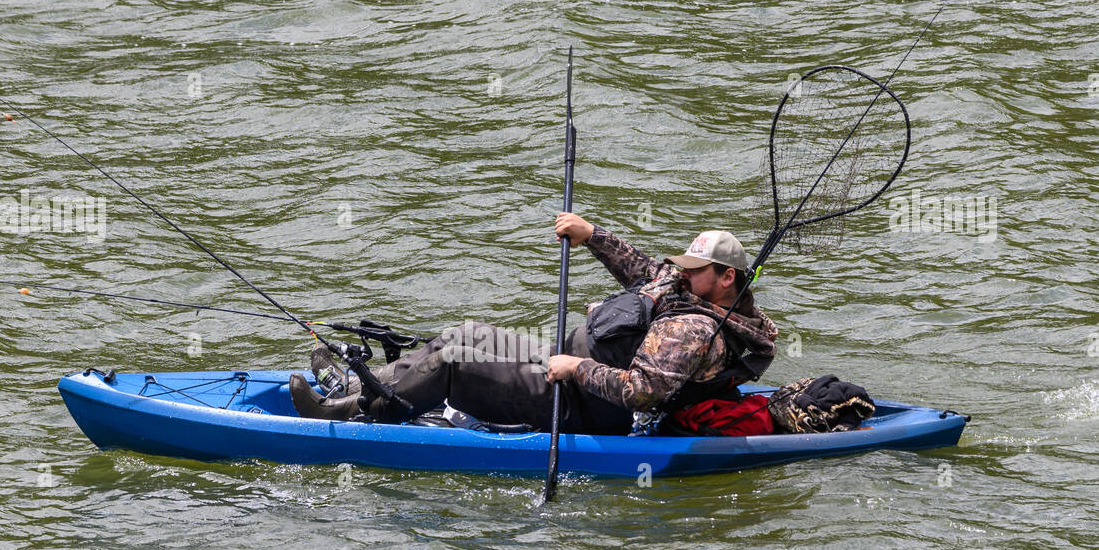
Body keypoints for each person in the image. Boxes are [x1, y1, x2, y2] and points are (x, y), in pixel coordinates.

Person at [289, 213, 778, 433]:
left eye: (696, 269)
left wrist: (575, 369)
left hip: (583, 404)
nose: (684, 273)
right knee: (466, 334)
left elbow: (641, 393)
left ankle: (347, 413)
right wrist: (592, 236)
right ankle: (353, 383)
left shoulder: (695, 330)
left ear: (726, 277)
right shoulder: (689, 287)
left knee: (454, 365)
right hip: (565, 365)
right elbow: (648, 271)